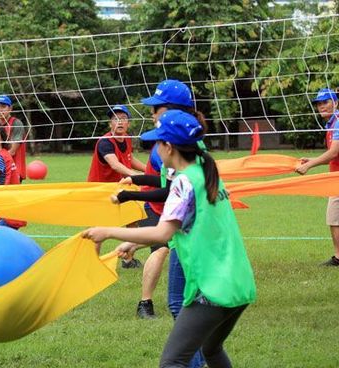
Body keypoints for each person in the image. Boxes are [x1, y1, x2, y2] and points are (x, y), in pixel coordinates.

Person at [83, 110, 256, 368]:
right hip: (239, 282)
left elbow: (162, 233)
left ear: (169, 146)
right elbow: (184, 226)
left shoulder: (184, 182)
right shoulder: (206, 172)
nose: (155, 148)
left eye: (157, 142)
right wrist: (135, 242)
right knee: (211, 348)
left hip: (211, 289)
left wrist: (108, 231)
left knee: (173, 362)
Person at [88, 105, 146, 268]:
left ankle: (128, 260)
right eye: (115, 119)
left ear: (128, 123)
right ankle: (92, 263)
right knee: (98, 227)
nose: (119, 122)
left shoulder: (126, 138)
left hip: (120, 188)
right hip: (100, 190)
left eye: (123, 118)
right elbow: (115, 165)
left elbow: (129, 159)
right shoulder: (105, 142)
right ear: (110, 124)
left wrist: (148, 170)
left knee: (133, 219)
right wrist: (135, 175)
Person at [296, 87, 339, 266]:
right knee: (334, 218)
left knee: (334, 217)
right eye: (319, 104)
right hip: (335, 178)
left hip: (337, 180)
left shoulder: (337, 122)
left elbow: (334, 151)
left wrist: (309, 165)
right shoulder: (331, 124)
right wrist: (313, 159)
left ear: (336, 103)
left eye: (325, 102)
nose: (321, 107)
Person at [0, 95, 30, 180]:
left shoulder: (16, 123)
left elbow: (12, 151)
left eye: (3, 106)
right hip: (0, 168)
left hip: (14, 169)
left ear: (10, 108)